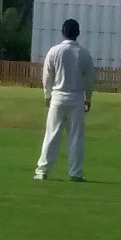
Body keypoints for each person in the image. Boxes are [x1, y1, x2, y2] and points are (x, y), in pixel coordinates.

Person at [34, 19, 95, 182]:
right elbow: (89, 79)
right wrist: (88, 98)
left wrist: (47, 95)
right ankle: (75, 173)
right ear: (78, 33)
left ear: (63, 32)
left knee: (51, 135)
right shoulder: (84, 53)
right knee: (76, 137)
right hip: (76, 98)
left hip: (58, 97)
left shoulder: (54, 51)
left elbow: (47, 76)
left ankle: (42, 171)